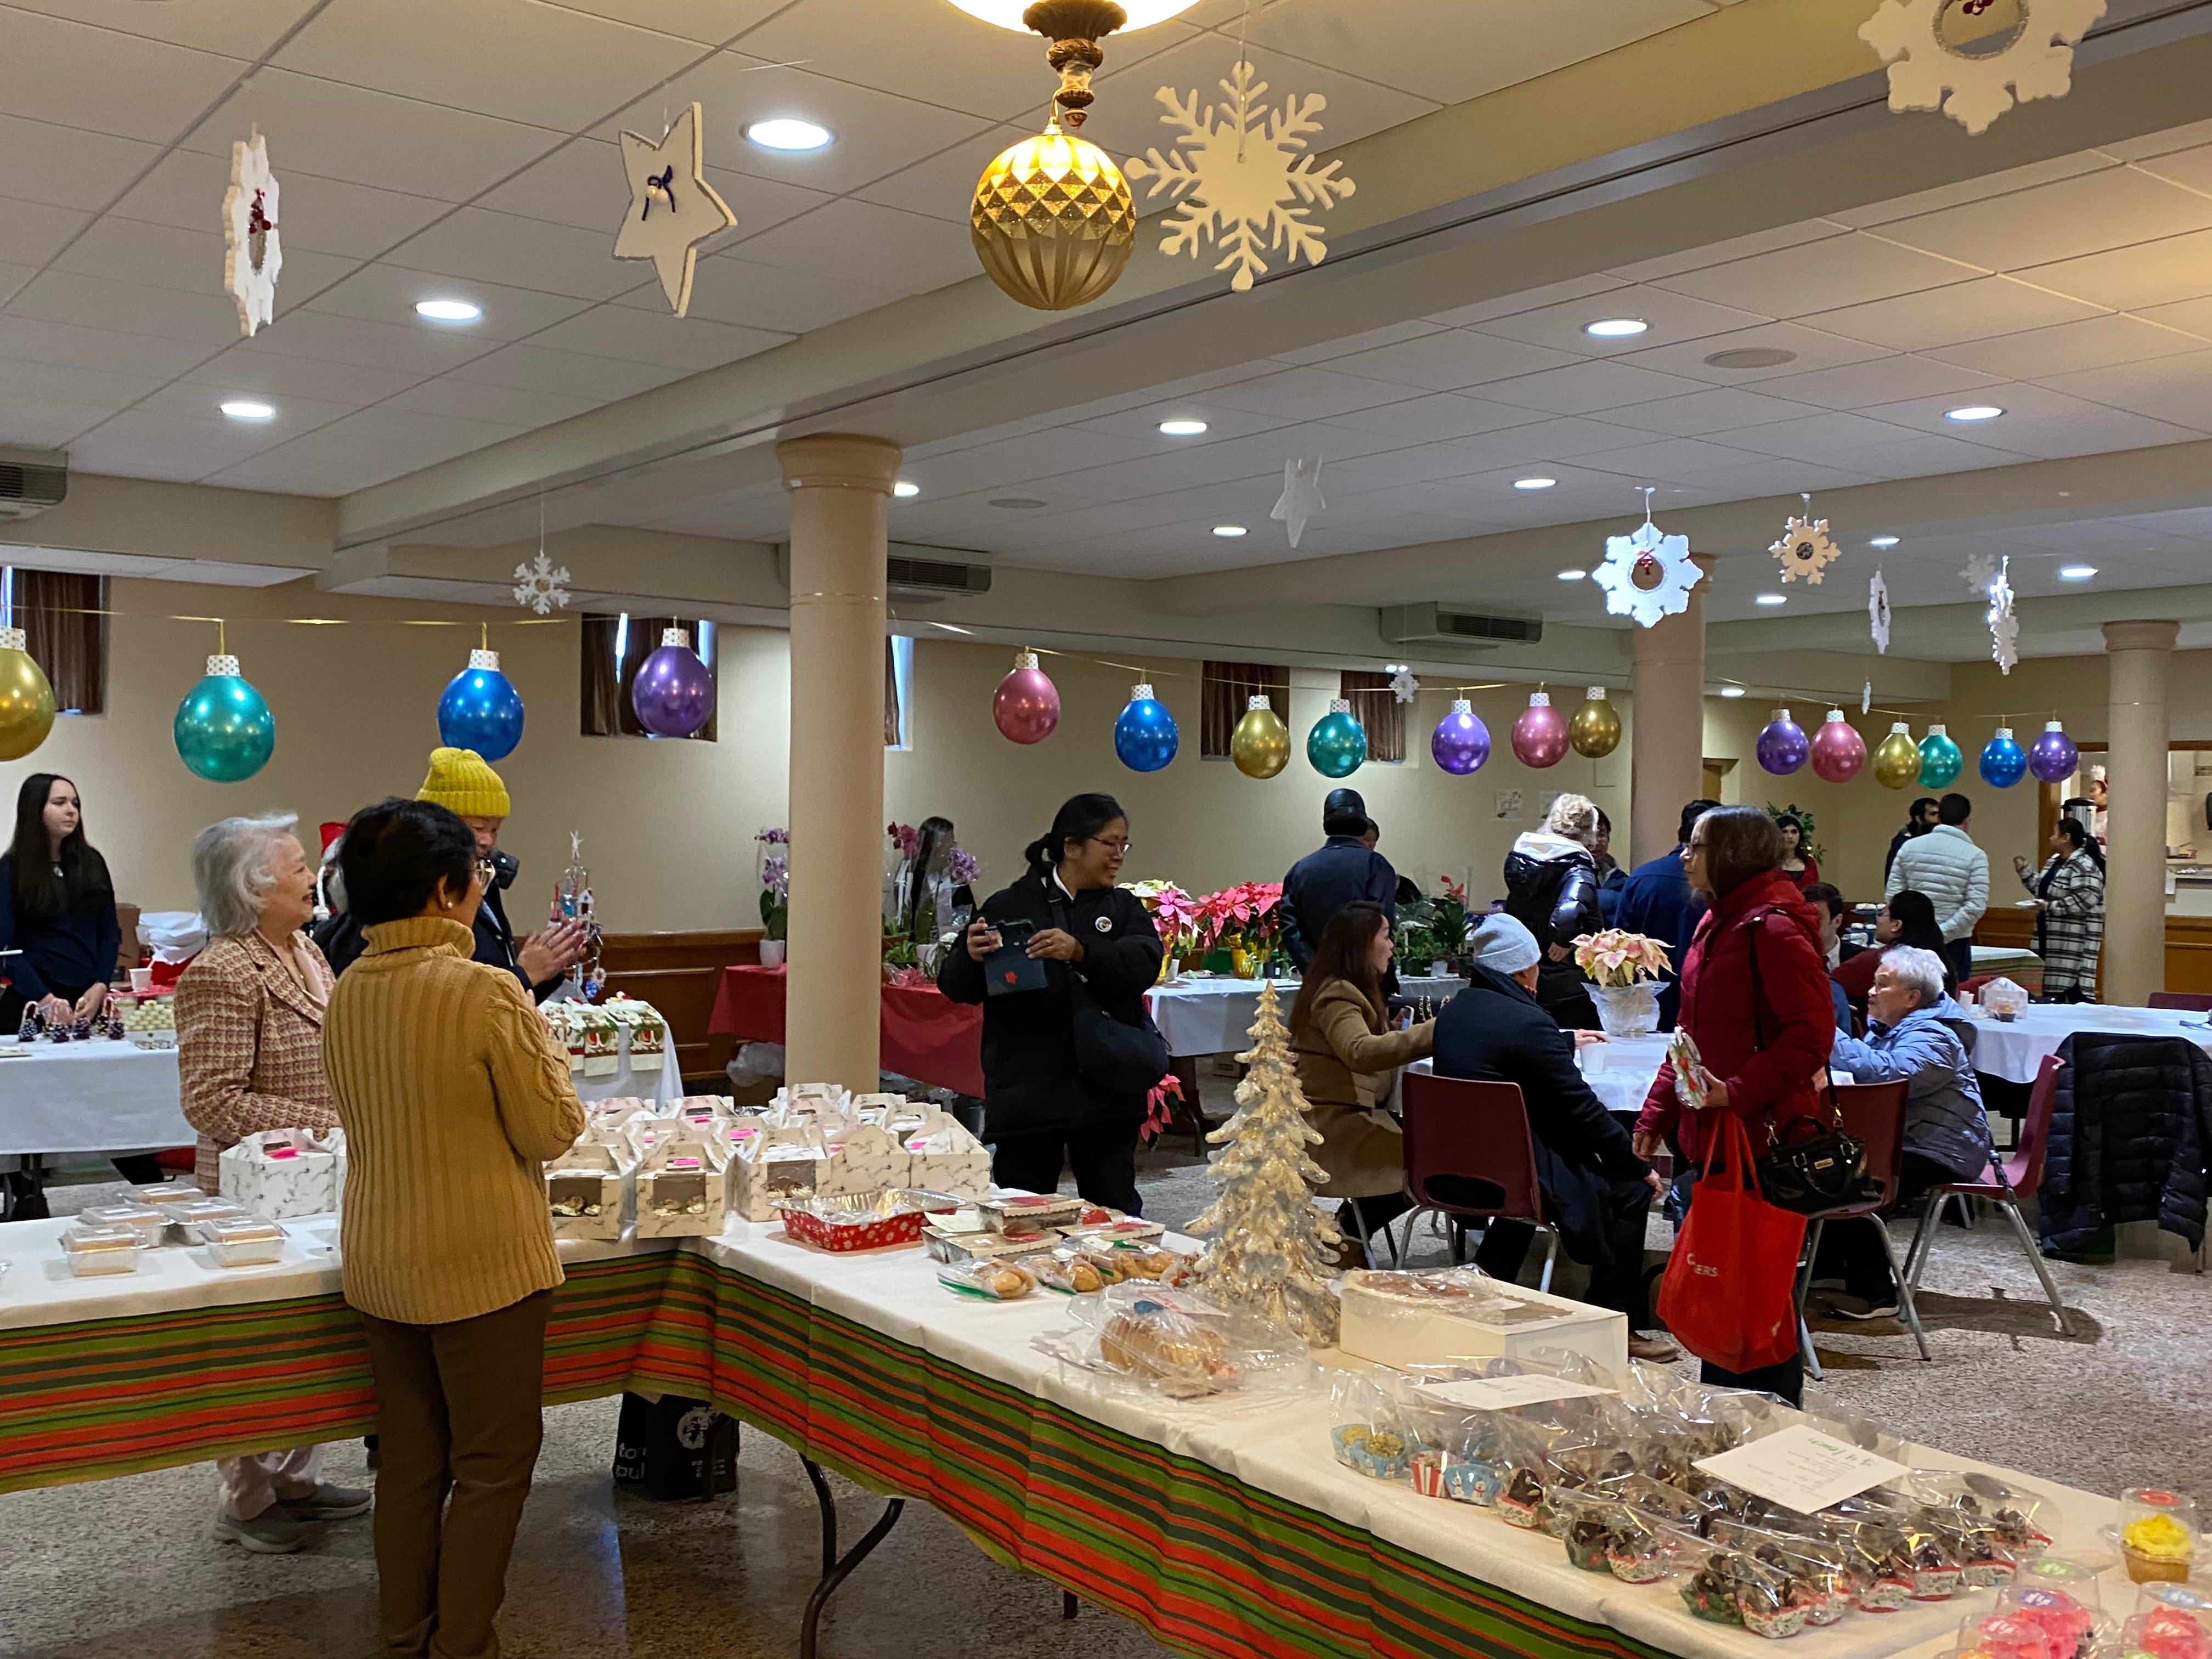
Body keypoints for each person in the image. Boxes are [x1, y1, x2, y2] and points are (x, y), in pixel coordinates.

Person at [323, 797, 585, 1659]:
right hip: (483, 1264)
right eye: (474, 873)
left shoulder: (347, 990)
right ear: (444, 890)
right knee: (492, 1467)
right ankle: (463, 1645)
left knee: (409, 1464)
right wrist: (543, 1040)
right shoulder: (485, 990)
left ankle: (405, 1638)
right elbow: (552, 1129)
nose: (481, 884)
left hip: (379, 1259)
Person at [175, 814, 368, 1553]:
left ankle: (296, 1479)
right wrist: (328, 1119)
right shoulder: (220, 971)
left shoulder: (308, 951)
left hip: (314, 1183)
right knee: (251, 1344)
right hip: (251, 1192)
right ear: (254, 889)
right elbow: (212, 1102)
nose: (312, 877)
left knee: (304, 1335)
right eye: (296, 868)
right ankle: (246, 1499)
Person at [1634, 806, 1834, 1407]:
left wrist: (1738, 1091)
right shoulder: (1718, 921)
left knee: (1760, 1296)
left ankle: (1771, 1424)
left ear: (1731, 854)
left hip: (1762, 1137)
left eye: (1696, 846)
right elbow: (1690, 1037)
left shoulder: (1771, 928)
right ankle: (1725, 1417)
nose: (1685, 857)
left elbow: (1810, 1037)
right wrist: (1657, 1112)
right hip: (1714, 1133)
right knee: (1721, 1285)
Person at [1434, 914, 1677, 1361]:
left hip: (1453, 1169)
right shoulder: (1529, 1022)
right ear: (1526, 969)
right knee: (1629, 1189)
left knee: (1541, 1169)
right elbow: (1583, 1111)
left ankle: (1488, 1284)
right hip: (1515, 1176)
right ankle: (1612, 1321)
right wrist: (1636, 1165)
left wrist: (1561, 1042)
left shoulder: (1456, 1013)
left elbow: (1501, 1049)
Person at [938, 793, 1162, 1213]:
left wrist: (1082, 951)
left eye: (1124, 844)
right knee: (1022, 1217)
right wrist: (968, 957)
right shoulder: (1008, 905)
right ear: (1072, 846)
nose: (1119, 855)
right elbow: (957, 988)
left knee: (1114, 1216)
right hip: (1028, 1096)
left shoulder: (1123, 908)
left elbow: (1144, 965)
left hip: (1108, 1094)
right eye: (1109, 843)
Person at [0, 774, 160, 1211]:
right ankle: (24, 1192)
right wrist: (45, 999)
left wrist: (101, 982)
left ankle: (151, 1184)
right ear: (35, 809)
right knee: (24, 1102)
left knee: (109, 1096)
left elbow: (109, 932)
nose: (71, 810)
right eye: (59, 802)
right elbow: (6, 948)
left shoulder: (91, 862)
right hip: (32, 1001)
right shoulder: (10, 870)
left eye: (75, 802)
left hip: (89, 997)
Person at [318, 748, 590, 1000]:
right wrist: (524, 974)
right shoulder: (403, 909)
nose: (487, 841)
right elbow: (459, 998)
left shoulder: (483, 877)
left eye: (495, 830)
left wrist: (548, 966)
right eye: (478, 828)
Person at [1815, 946, 1995, 1319]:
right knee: (1830, 1165)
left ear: (1913, 998)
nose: (1871, 992)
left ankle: (1877, 1293)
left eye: (1883, 985)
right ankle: (1831, 1266)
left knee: (1856, 1181)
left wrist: (1825, 1034)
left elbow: (1893, 1075)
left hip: (1943, 1148)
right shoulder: (1896, 1028)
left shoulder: (1936, 1035)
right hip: (1915, 1139)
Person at [1284, 902, 1432, 1247]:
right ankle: (1347, 1233)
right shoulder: (1337, 992)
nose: (1392, 946)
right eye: (1386, 936)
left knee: (1430, 1145)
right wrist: (1435, 1031)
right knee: (1429, 1161)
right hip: (1332, 1125)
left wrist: (1390, 1031)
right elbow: (1359, 1052)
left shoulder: (1345, 988)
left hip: (1350, 1114)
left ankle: (1350, 1230)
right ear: (1362, 944)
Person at [1503, 792, 1606, 1029]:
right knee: (1574, 1040)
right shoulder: (1577, 865)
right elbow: (1571, 909)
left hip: (1525, 967)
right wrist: (1563, 938)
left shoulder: (1524, 858)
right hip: (1566, 980)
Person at [1616, 798, 1719, 1029]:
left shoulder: (1642, 877)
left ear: (1680, 833)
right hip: (1706, 1007)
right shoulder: (1723, 887)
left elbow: (1620, 945)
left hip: (1647, 1003)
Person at [1280, 788, 1396, 973]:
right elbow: (1379, 925)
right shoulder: (1375, 865)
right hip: (1366, 979)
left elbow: (1290, 929)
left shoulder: (1300, 870)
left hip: (1317, 979)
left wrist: (1314, 970)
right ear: (1363, 822)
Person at [1887, 792, 1987, 990]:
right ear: (1966, 820)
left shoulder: (1909, 848)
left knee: (1908, 997)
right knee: (1951, 1000)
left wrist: (1913, 929)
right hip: (1954, 944)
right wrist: (1941, 933)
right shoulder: (1976, 856)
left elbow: (1894, 897)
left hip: (1911, 940)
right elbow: (1975, 906)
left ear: (1939, 818)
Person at [2016, 817, 2104, 1002]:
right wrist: (2025, 872)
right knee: (2048, 994)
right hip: (2048, 937)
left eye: (2055, 834)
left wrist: (2049, 907)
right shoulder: (2055, 861)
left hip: (2073, 944)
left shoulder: (2084, 865)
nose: (2050, 838)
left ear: (2066, 838)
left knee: (2067, 995)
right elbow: (2043, 890)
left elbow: (2085, 899)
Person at [1833, 890, 1953, 1023]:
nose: (1877, 920)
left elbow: (1832, 986)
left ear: (1896, 925)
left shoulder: (1880, 960)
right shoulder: (1941, 960)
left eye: (1882, 914)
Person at [899, 815, 974, 944]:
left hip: (954, 943)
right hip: (918, 944)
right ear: (936, 844)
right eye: (949, 841)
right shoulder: (912, 874)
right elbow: (906, 916)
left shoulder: (956, 875)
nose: (953, 847)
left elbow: (970, 911)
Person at [1801, 883, 1853, 1033]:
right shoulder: (1789, 959)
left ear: (1837, 921)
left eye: (1816, 919)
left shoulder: (1860, 960)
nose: (1808, 925)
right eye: (1803, 918)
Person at [1884, 797, 1939, 883]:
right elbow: (1893, 878)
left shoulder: (1939, 839)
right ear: (1919, 819)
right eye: (1933, 814)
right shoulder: (1903, 843)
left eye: (1940, 814)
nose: (1938, 819)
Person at [1593, 810, 1627, 922]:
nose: (1595, 842)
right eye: (1589, 836)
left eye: (1601, 835)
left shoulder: (1622, 880)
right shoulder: (1568, 879)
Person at [1776, 814, 1819, 889]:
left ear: (1800, 836)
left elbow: (1816, 891)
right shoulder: (1769, 864)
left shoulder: (1810, 863)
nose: (1790, 836)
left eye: (1794, 832)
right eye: (1784, 832)